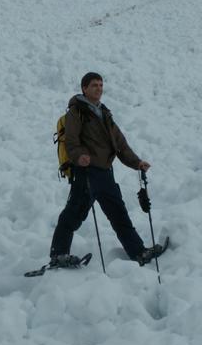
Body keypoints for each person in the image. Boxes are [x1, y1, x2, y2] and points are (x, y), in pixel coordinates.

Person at [50, 72, 159, 266]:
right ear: (84, 88)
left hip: (105, 174)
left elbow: (120, 144)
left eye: (101, 85)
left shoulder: (105, 113)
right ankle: (58, 254)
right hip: (86, 174)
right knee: (73, 214)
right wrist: (79, 156)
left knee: (119, 215)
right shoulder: (76, 113)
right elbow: (72, 143)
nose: (99, 89)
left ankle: (138, 252)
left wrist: (137, 162)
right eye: (94, 85)